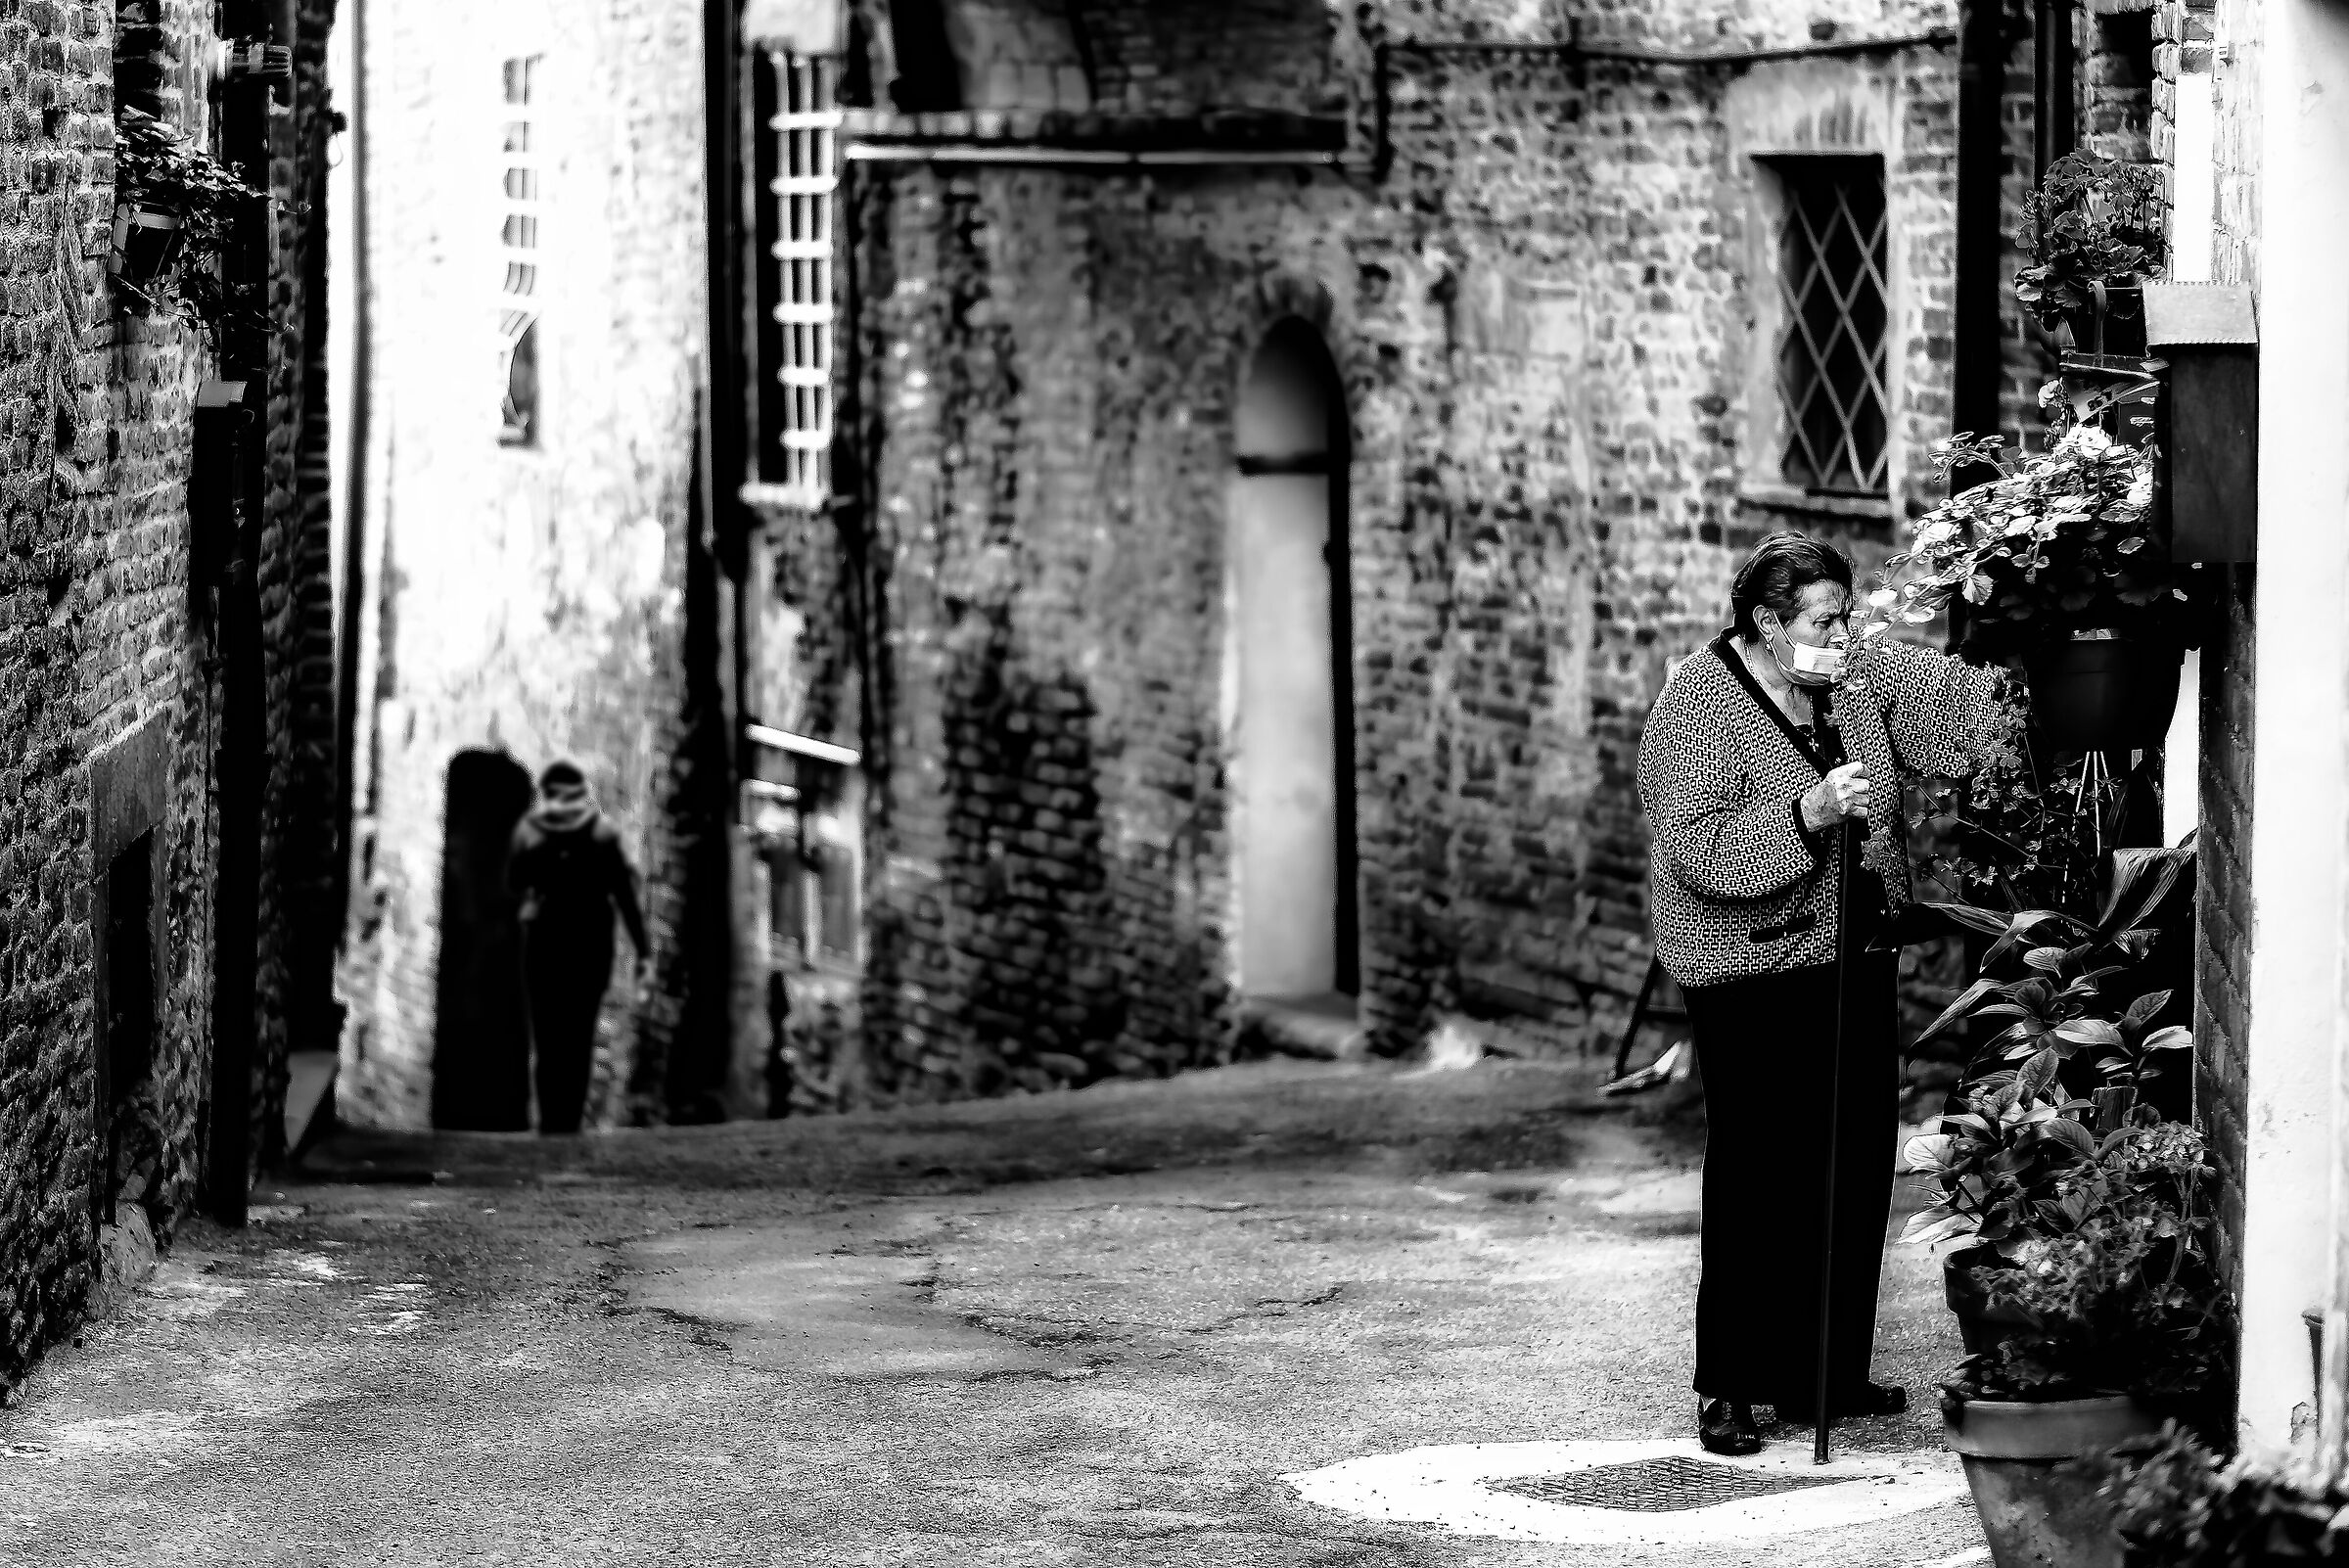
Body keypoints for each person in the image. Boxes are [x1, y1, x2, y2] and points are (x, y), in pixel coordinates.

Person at [1635, 531, 2018, 1454]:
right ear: (1768, 624)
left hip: (1852, 955)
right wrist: (1806, 813)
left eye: (1848, 615)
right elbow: (1697, 847)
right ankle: (1729, 1384)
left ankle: (1824, 1373)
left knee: (1849, 1162)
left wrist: (2028, 659)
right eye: (1824, 618)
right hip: (1750, 968)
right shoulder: (1698, 704)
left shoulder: (1856, 673)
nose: (1844, 633)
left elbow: (1968, 716)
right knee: (1759, 1171)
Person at [504, 761, 651, 1135]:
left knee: (549, 1034)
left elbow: (514, 881)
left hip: (546, 945)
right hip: (587, 946)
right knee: (577, 1035)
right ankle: (566, 1120)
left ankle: (552, 1120)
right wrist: (643, 950)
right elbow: (624, 894)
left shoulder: (531, 832)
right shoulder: (601, 835)